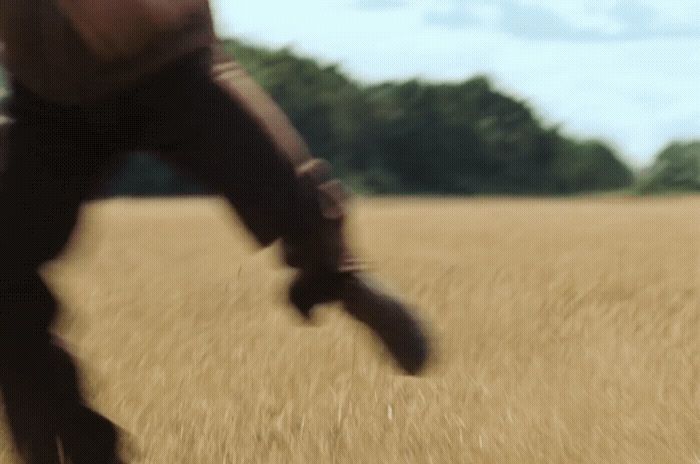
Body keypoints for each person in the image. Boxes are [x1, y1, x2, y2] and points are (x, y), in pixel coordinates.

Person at [0, 2, 429, 463]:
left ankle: (340, 276)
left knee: (271, 176)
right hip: (52, 103)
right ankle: (70, 445)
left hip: (162, 61)